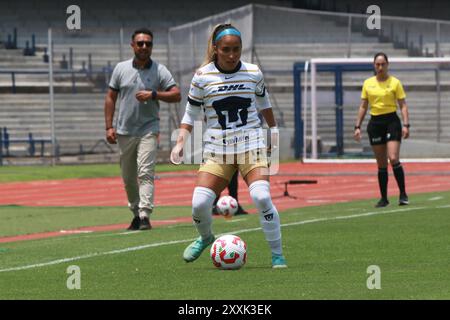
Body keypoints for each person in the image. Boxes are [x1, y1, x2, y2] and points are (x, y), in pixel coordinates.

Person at [170, 23, 287, 268]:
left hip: (251, 145)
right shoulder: (202, 76)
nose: (232, 55)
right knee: (199, 204)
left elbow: (264, 104)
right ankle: (205, 238)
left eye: (237, 49)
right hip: (217, 150)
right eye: (226, 50)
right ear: (216, 49)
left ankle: (277, 255)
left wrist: (273, 132)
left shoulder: (253, 72)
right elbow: (190, 114)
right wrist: (180, 142)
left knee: (261, 197)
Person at [104, 28, 181, 230]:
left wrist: (153, 94)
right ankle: (136, 212)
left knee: (145, 172)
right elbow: (110, 98)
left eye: (148, 43)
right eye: (140, 43)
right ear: (133, 46)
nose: (144, 47)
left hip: (149, 129)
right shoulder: (120, 69)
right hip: (124, 131)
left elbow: (177, 94)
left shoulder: (160, 70)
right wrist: (108, 127)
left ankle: (145, 214)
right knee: (129, 178)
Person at [354, 52, 410, 208]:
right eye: (377, 64)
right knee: (381, 163)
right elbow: (363, 106)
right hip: (375, 123)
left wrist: (406, 125)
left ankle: (403, 194)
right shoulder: (368, 83)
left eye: (383, 64)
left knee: (393, 158)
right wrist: (357, 126)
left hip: (391, 121)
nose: (380, 67)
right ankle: (384, 198)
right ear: (374, 65)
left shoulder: (395, 83)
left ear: (387, 65)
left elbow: (403, 105)